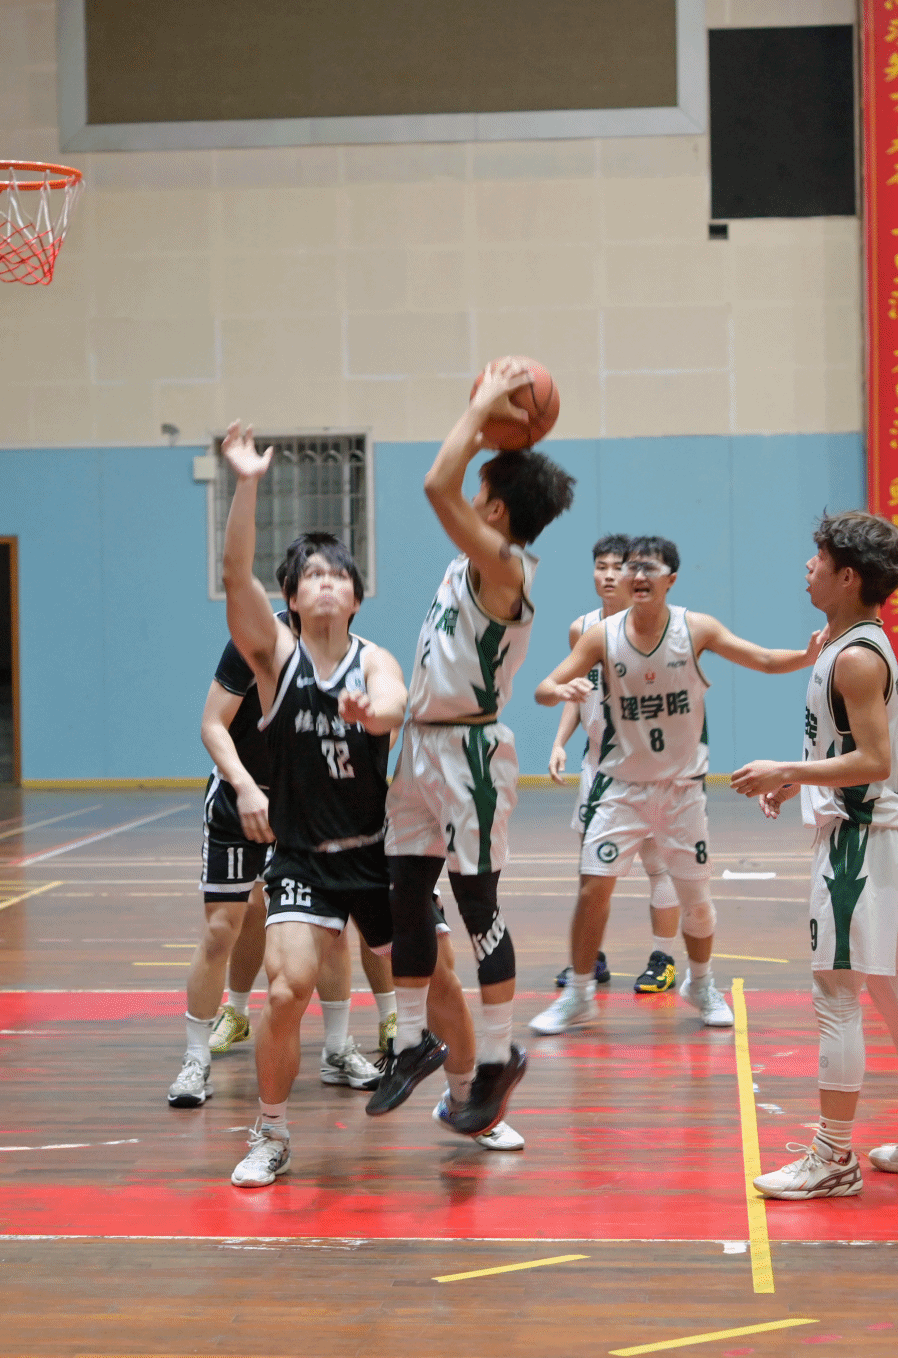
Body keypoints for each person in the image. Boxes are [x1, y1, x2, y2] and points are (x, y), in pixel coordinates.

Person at [216, 426, 517, 1187]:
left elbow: (390, 704)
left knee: (439, 979)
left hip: (380, 856)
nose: (325, 584)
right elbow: (233, 573)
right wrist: (247, 483)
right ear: (290, 598)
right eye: (311, 577)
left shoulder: (374, 658)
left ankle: (469, 1104)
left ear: (355, 594)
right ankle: (271, 1132)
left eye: (337, 576)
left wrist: (372, 712)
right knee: (286, 989)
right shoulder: (272, 658)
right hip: (302, 860)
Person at [729, 512, 898, 1199]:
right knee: (892, 991)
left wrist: (788, 768)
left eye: (819, 558)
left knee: (836, 994)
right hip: (871, 834)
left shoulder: (857, 657)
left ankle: (833, 1155)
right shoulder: (841, 645)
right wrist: (799, 782)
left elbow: (874, 760)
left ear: (848, 577)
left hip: (861, 844)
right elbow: (845, 750)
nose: (808, 567)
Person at [369, 358, 577, 1136]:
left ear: (491, 505)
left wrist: (483, 407)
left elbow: (435, 484)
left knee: (478, 904)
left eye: (480, 484)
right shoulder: (471, 559)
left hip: (469, 756)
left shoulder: (504, 566)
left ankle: (496, 1057)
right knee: (404, 892)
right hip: (421, 746)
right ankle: (415, 1041)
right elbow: (449, 489)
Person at [530, 536, 816, 1035]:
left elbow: (766, 660)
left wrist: (810, 654)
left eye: (650, 568)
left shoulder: (695, 628)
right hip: (618, 788)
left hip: (681, 790)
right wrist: (560, 689)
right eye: (632, 568)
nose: (638, 575)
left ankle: (700, 984)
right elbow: (543, 688)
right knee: (593, 889)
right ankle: (579, 994)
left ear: (671, 580)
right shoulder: (600, 635)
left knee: (696, 901)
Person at [169, 630, 389, 1108]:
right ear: (292, 595)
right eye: (310, 587)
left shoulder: (355, 655)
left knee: (327, 929)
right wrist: (246, 787)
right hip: (239, 799)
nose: (325, 595)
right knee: (221, 930)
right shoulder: (257, 642)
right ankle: (195, 1059)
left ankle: (337, 1049)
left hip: (302, 805)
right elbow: (212, 724)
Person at [546, 534, 684, 995]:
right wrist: (560, 742)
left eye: (616, 567)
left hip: (651, 768)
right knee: (592, 872)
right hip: (598, 767)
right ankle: (592, 958)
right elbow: (575, 689)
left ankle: (663, 958)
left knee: (659, 866)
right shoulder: (582, 628)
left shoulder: (658, 629)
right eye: (600, 566)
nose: (607, 575)